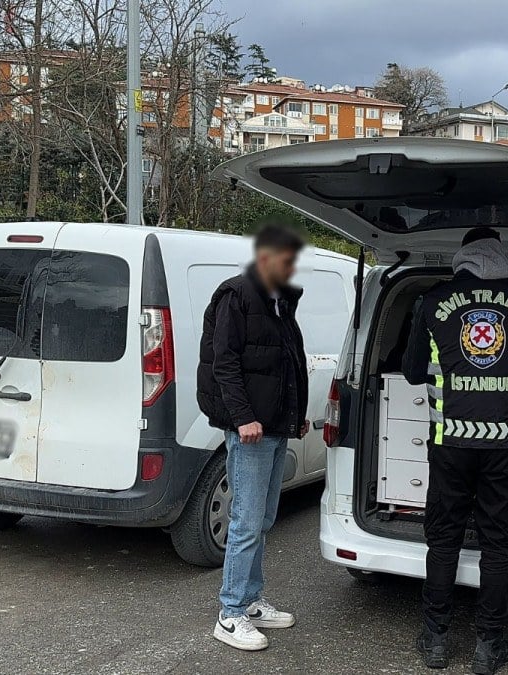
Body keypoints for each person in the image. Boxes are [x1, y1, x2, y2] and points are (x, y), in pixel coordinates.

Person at [402, 227, 508, 674]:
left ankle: (435, 640)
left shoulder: (433, 301)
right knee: (497, 540)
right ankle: (488, 647)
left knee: (444, 535)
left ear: (462, 257)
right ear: (500, 255)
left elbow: (414, 372)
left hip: (449, 439)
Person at [196, 224, 309, 652]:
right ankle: (229, 614)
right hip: (251, 431)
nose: (291, 267)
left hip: (276, 426)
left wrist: (295, 418)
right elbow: (224, 363)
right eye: (285, 259)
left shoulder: (280, 302)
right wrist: (243, 418)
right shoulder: (237, 296)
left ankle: (250, 600)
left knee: (262, 520)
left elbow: (288, 362)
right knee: (245, 522)